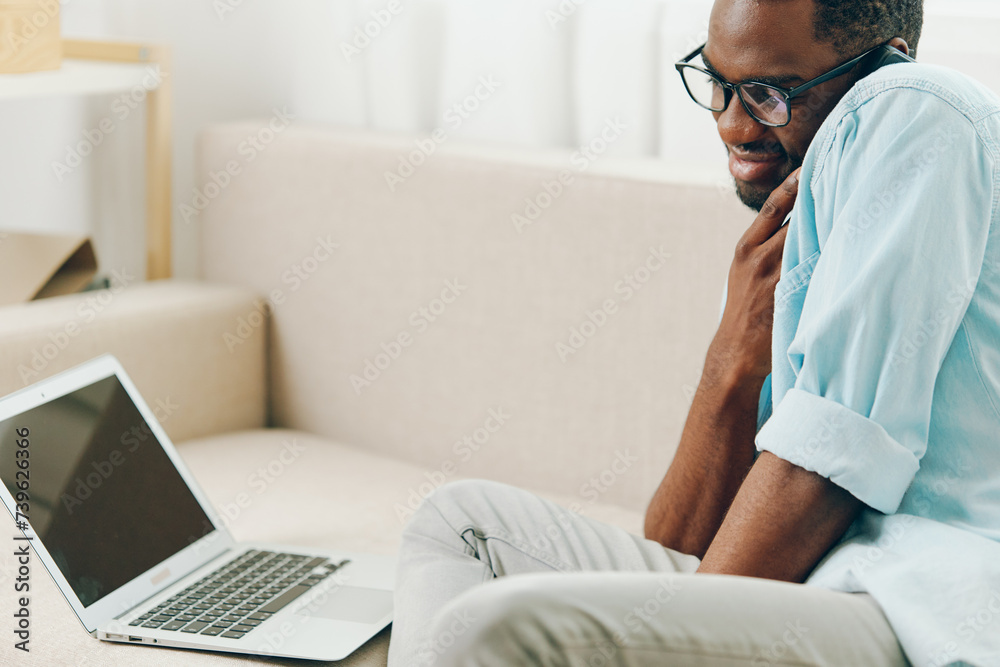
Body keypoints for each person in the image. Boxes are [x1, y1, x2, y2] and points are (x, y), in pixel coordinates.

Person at [386, 1, 1000, 665]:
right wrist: (732, 354)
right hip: (805, 594)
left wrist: (656, 643)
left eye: (769, 93)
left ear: (888, 56)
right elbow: (679, 547)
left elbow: (831, 464)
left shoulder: (915, 106)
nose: (734, 125)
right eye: (718, 84)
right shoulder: (783, 248)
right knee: (456, 523)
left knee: (490, 624)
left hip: (917, 611)